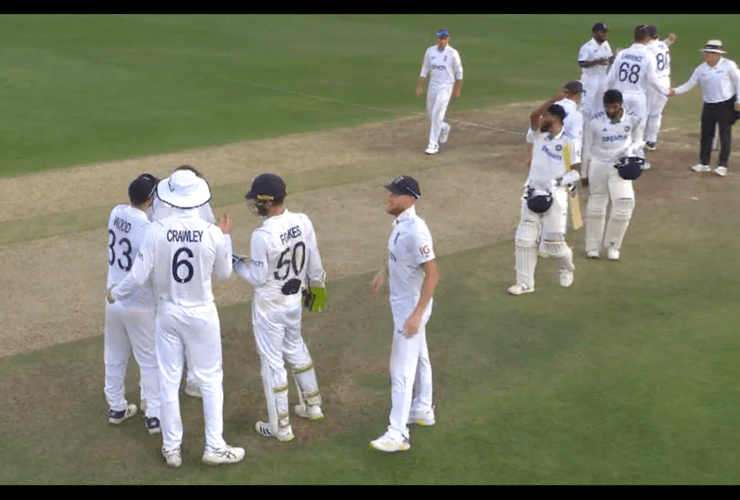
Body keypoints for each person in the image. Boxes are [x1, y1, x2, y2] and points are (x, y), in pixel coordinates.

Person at [107, 169, 244, 468]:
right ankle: (214, 446)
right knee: (210, 381)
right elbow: (223, 274)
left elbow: (138, 276)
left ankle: (172, 448)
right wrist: (226, 238)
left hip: (167, 313)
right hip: (201, 312)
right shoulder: (212, 233)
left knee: (169, 382)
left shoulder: (156, 230)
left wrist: (116, 292)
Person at [231, 173, 327, 443]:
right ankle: (313, 406)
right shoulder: (302, 221)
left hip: (269, 305)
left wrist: (238, 264)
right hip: (294, 298)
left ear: (266, 201)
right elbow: (314, 260)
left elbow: (258, 279)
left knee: (273, 363)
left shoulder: (262, 235)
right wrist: (316, 287)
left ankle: (281, 427)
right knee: (296, 348)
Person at [369, 175, 439, 452]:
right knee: (420, 358)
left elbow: (433, 275)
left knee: (400, 369)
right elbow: (400, 257)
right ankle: (422, 408)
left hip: (410, 307)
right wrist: (382, 273)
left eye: (395, 194)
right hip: (404, 305)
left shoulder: (416, 231)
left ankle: (397, 434)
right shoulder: (400, 225)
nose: (389, 197)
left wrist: (416, 315)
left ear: (410, 200)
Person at [151, 165, 216, 400]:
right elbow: (211, 229)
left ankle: (170, 381)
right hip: (194, 281)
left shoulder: (159, 201)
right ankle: (194, 381)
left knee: (169, 330)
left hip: (164, 280)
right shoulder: (200, 204)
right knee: (194, 331)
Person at [104, 174, 161, 434]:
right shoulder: (149, 231)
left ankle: (116, 407)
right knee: (149, 360)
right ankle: (154, 415)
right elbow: (145, 274)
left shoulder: (115, 213)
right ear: (150, 199)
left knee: (114, 356)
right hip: (138, 304)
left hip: (112, 301)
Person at [508, 95, 581, 296]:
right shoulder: (539, 134)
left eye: (548, 116)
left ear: (556, 120)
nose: (543, 118)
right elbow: (533, 115)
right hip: (532, 191)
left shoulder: (568, 143)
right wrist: (554, 99)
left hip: (556, 194)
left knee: (553, 245)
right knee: (524, 240)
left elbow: (575, 172)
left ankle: (566, 267)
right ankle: (525, 283)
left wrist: (558, 182)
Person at [582, 89, 646, 261]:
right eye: (608, 107)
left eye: (615, 107)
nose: (611, 111)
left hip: (620, 165)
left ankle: (613, 246)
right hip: (598, 164)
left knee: (625, 204)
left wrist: (634, 156)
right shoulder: (594, 123)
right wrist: (583, 172)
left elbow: (639, 141)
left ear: (621, 104)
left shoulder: (633, 120)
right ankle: (593, 247)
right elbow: (586, 148)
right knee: (596, 205)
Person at [669, 40, 740, 177]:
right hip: (709, 105)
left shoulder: (728, 66)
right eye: (706, 53)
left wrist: (739, 100)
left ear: (717, 54)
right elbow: (690, 84)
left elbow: (739, 82)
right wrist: (675, 91)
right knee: (706, 134)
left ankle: (722, 165)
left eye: (709, 53)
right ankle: (704, 163)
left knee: (724, 135)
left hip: (725, 104)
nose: (706, 56)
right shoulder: (701, 69)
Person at [606, 25, 670, 170]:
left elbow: (610, 78)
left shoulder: (622, 54)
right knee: (638, 129)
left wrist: (607, 94)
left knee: (619, 126)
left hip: (620, 96)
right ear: (647, 37)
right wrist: (666, 90)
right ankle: (639, 160)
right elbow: (653, 80)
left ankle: (616, 157)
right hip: (637, 97)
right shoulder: (648, 55)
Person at [538, 80, 585, 258]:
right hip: (564, 157)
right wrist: (575, 170)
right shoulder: (576, 115)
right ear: (577, 95)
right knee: (560, 202)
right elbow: (574, 143)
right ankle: (554, 244)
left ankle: (543, 245)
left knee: (546, 197)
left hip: (546, 153)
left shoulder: (554, 107)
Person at [416, 28, 463, 155]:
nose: (443, 40)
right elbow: (425, 68)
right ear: (437, 39)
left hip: (446, 85)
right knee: (431, 114)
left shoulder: (453, 53)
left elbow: (459, 73)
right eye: (441, 38)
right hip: (433, 85)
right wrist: (420, 86)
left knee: (437, 113)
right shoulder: (430, 51)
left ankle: (433, 144)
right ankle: (444, 127)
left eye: (445, 38)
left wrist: (457, 90)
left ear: (448, 38)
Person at [644, 26, 677, 150]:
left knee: (646, 111)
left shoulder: (647, 48)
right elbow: (664, 44)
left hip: (653, 82)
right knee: (656, 114)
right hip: (665, 81)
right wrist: (670, 40)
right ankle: (651, 141)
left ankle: (642, 138)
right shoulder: (662, 46)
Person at [578, 23, 615, 123]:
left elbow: (609, 58)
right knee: (587, 105)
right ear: (595, 33)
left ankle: (597, 125)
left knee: (601, 104)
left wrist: (615, 58)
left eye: (605, 32)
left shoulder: (606, 44)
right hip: (590, 79)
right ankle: (583, 126)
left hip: (602, 78)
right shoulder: (587, 47)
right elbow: (581, 63)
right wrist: (597, 62)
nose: (604, 34)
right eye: (602, 32)